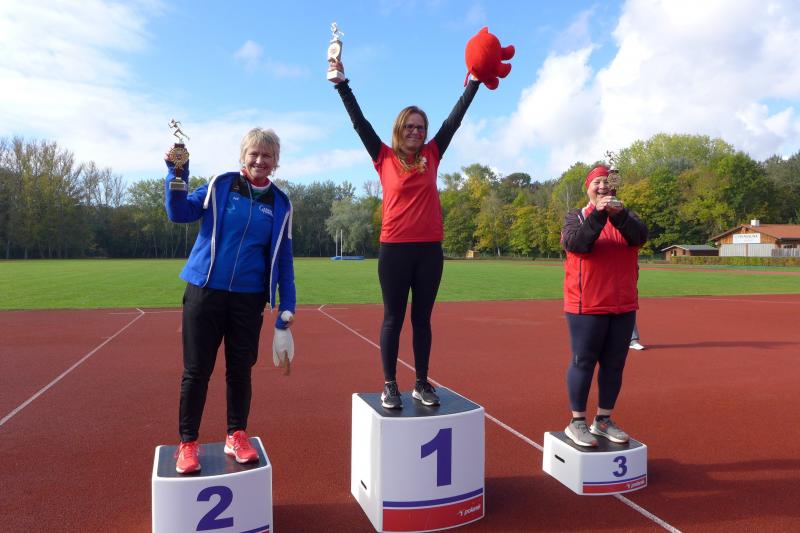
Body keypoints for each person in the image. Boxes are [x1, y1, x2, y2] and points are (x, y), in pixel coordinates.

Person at [329, 58, 481, 409]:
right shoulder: (383, 156)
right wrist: (342, 84)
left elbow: (454, 120)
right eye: (410, 126)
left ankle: (421, 383)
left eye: (421, 127)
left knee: (422, 319)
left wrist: (473, 82)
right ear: (400, 129)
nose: (416, 132)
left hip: (429, 251)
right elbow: (359, 123)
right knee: (393, 318)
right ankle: (389, 385)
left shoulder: (433, 153)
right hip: (395, 249)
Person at [164, 127, 296, 474]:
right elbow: (179, 213)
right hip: (205, 291)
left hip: (248, 300)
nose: (260, 160)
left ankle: (236, 434)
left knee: (240, 371)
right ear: (243, 156)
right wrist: (176, 176)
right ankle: (187, 442)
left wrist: (287, 307)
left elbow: (284, 258)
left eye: (267, 155)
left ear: (276, 162)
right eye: (254, 153)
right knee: (196, 371)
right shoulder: (219, 185)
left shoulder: (281, 203)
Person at [560, 165, 648, 447]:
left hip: (622, 305)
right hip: (586, 305)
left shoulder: (627, 216)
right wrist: (598, 214)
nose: (602, 187)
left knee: (614, 364)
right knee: (583, 361)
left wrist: (618, 214)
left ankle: (603, 420)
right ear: (588, 187)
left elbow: (640, 237)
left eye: (606, 182)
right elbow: (578, 244)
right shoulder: (576, 216)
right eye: (596, 182)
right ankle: (577, 422)